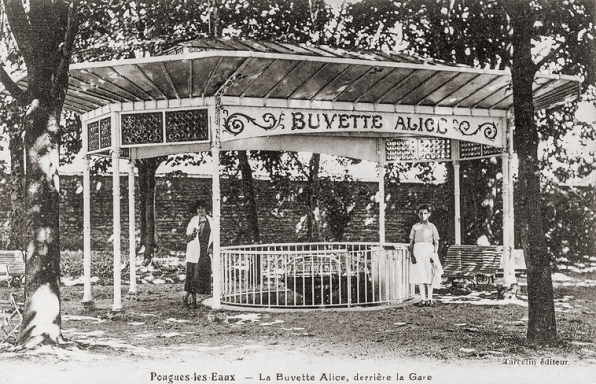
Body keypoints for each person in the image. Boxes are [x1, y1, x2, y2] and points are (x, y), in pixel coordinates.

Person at [408, 204, 443, 307]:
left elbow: (436, 242)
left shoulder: (432, 227)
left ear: (429, 214)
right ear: (418, 214)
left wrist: (434, 254)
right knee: (420, 276)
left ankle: (430, 299)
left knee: (429, 276)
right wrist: (412, 255)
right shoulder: (415, 226)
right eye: (421, 213)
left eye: (425, 213)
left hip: (428, 252)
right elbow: (411, 241)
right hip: (418, 251)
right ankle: (423, 299)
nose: (423, 216)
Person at [183, 200, 214, 308]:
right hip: (194, 251)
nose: (201, 210)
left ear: (206, 209)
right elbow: (187, 239)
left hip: (204, 252)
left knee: (199, 276)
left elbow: (215, 237)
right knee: (193, 275)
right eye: (198, 208)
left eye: (203, 208)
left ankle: (187, 298)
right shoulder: (193, 221)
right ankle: (192, 299)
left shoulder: (211, 221)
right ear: (196, 210)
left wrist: (211, 247)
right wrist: (193, 234)